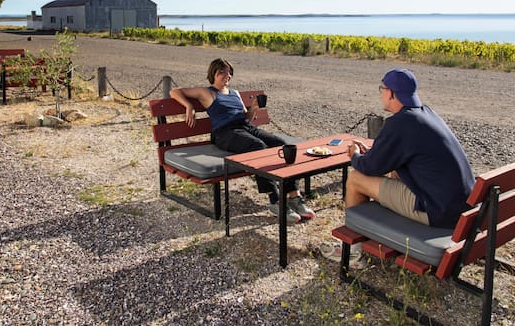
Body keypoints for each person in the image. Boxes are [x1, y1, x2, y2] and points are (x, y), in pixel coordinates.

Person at [321, 68, 474, 267]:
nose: (381, 93)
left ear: (391, 93)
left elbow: (370, 168)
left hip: (436, 211)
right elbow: (401, 154)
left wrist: (355, 156)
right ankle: (373, 236)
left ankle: (353, 253)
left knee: (356, 179)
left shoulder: (400, 123)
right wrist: (374, 153)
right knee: (395, 174)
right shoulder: (426, 113)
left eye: (382, 89)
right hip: (460, 208)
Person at [170, 58, 314, 224]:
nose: (227, 75)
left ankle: (294, 196)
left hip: (245, 128)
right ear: (213, 74)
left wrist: (253, 108)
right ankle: (275, 200)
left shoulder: (235, 93)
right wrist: (189, 106)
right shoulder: (206, 92)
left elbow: (247, 117)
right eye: (222, 72)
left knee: (282, 145)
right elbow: (175, 91)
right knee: (258, 147)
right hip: (225, 133)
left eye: (229, 72)